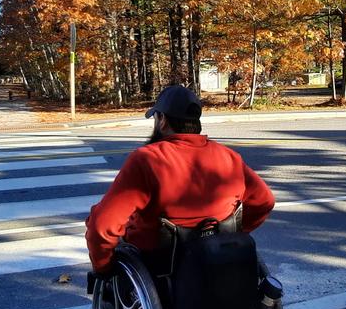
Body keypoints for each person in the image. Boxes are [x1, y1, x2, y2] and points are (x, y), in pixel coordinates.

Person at [85, 85, 275, 274]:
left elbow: (102, 226)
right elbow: (264, 201)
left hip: (158, 265)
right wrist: (233, 236)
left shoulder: (147, 159)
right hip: (217, 258)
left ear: (163, 121)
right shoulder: (229, 156)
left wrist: (103, 269)